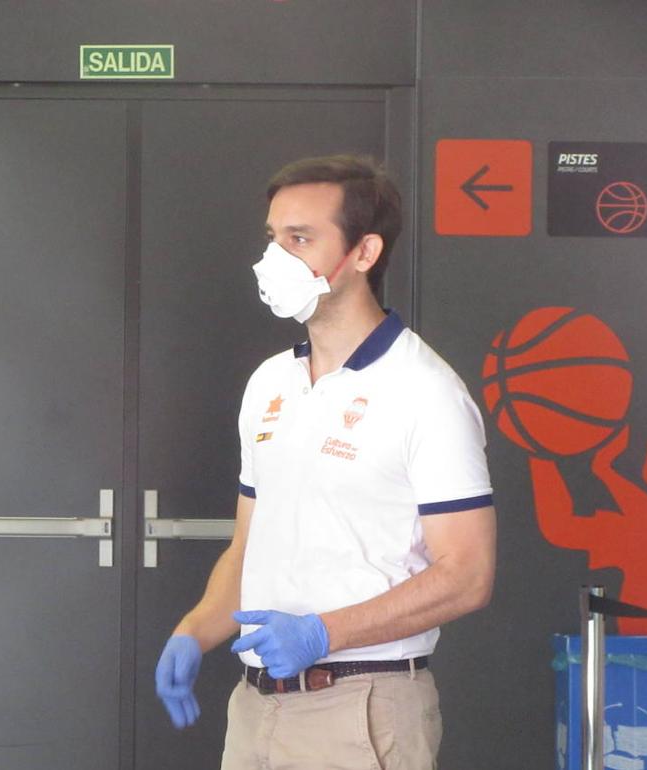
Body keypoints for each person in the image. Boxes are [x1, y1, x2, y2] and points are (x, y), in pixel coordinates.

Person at [154, 155, 496, 769]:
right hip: (256, 707)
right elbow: (248, 545)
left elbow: (467, 574)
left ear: (364, 253)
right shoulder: (268, 382)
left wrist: (322, 633)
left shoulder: (426, 392)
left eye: (301, 238)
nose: (275, 257)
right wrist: (196, 629)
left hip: (363, 709)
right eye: (273, 237)